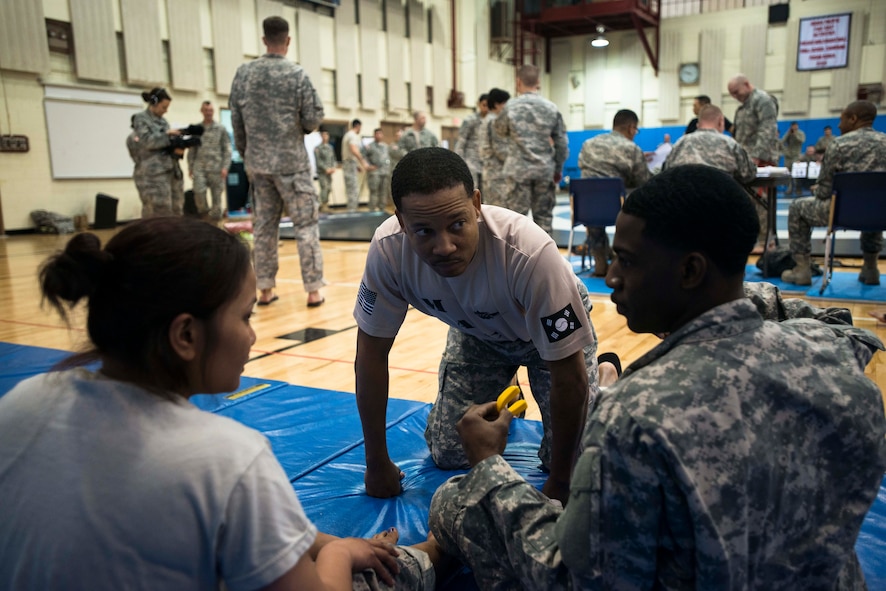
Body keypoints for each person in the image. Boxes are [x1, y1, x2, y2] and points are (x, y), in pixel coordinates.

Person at [427, 164, 886, 590]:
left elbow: (576, 577)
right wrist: (729, 302)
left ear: (689, 270)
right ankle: (605, 370)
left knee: (457, 501)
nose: (612, 278)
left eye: (626, 260)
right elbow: (837, 326)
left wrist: (488, 466)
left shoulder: (634, 416)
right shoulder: (833, 354)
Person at [0, 216, 446, 590]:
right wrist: (344, 551)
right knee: (378, 572)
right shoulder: (227, 457)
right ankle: (433, 556)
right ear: (187, 336)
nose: (253, 335)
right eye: (245, 316)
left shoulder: (23, 402)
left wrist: (319, 540)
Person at [353, 147, 599, 505]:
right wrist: (376, 462)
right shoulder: (389, 251)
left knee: (577, 463)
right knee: (448, 452)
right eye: (423, 231)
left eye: (457, 225)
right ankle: (506, 382)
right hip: (477, 334)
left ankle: (605, 373)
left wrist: (561, 483)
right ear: (401, 222)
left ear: (477, 204)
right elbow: (370, 354)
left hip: (545, 339)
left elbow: (569, 374)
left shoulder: (528, 253)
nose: (445, 246)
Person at [229, 16, 326, 308]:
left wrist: (248, 152)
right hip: (292, 165)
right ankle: (312, 290)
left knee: (264, 227)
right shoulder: (297, 75)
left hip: (259, 166)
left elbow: (236, 119)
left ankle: (265, 289)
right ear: (287, 40)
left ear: (263, 40)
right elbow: (313, 117)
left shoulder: (244, 74)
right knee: (306, 226)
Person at [781, 100, 886, 286]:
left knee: (797, 208)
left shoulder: (838, 145)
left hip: (840, 214)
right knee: (874, 201)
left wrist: (818, 188)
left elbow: (824, 192)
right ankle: (871, 268)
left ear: (853, 119)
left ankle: (802, 270)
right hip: (880, 215)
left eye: (842, 119)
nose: (838, 125)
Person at [493, 64, 568, 236]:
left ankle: (515, 262)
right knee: (544, 219)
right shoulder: (551, 107)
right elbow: (562, 143)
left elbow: (499, 133)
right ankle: (545, 261)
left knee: (515, 220)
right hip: (544, 171)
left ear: (518, 82)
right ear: (539, 82)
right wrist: (557, 169)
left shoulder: (510, 107)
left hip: (518, 172)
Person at [576, 109, 651, 276]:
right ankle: (621, 257)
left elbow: (585, 170)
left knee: (595, 200)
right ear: (631, 128)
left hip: (587, 209)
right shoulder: (631, 148)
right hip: (618, 209)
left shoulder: (588, 144)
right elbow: (643, 181)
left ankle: (600, 261)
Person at [728, 74, 780, 252]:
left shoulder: (763, 100)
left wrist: (757, 157)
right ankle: (754, 237)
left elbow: (767, 129)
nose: (735, 96)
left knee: (761, 200)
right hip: (746, 160)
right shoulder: (743, 108)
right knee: (748, 200)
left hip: (761, 159)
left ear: (747, 84)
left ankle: (767, 241)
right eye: (732, 94)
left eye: (736, 91)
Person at [664, 104, 756, 185]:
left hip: (683, 201)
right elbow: (748, 174)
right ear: (721, 122)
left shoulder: (679, 143)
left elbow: (665, 172)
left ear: (697, 124)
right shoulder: (731, 144)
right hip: (721, 200)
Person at [131, 87, 184, 218]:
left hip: (170, 170)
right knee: (158, 212)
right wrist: (167, 135)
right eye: (163, 107)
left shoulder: (163, 121)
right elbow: (147, 141)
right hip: (153, 175)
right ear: (154, 103)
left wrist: (179, 144)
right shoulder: (141, 119)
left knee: (176, 209)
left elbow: (164, 145)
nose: (166, 111)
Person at [187, 100, 233, 221]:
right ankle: (205, 218)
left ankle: (216, 224)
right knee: (199, 193)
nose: (209, 113)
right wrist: (190, 167)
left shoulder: (221, 129)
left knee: (217, 199)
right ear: (201, 111)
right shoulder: (197, 129)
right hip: (200, 167)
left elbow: (227, 149)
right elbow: (192, 150)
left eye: (211, 110)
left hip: (217, 168)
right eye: (206, 110)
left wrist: (225, 167)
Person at [478, 87, 510, 207]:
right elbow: (500, 149)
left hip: (491, 172)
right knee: (500, 212)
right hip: (498, 174)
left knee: (493, 209)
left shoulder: (487, 120)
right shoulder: (495, 121)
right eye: (505, 103)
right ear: (497, 104)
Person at [454, 94, 488, 190]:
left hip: (486, 162)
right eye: (484, 105)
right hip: (471, 160)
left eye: (488, 105)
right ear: (479, 104)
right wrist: (459, 161)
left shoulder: (493, 121)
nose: (486, 108)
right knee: (473, 188)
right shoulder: (470, 120)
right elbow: (461, 141)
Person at [343, 119, 371, 212]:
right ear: (358, 126)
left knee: (351, 189)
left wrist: (357, 166)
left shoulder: (348, 135)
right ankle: (352, 212)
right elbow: (354, 150)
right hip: (349, 164)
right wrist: (364, 162)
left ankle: (352, 210)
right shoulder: (352, 135)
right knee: (353, 190)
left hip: (350, 164)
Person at [364, 128, 391, 212]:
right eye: (377, 134)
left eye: (380, 134)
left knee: (383, 192)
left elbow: (388, 158)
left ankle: (382, 210)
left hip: (385, 172)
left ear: (382, 135)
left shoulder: (385, 146)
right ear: (374, 135)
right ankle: (372, 210)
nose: (379, 135)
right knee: (374, 192)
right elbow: (363, 157)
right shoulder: (369, 146)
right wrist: (368, 166)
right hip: (375, 173)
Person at [781, 121, 806, 196]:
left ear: (797, 126)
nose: (794, 127)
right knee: (788, 173)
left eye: (795, 126)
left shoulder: (800, 133)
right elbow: (782, 141)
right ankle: (789, 188)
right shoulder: (788, 133)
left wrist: (795, 134)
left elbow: (801, 141)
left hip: (796, 155)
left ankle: (798, 188)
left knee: (796, 173)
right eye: (793, 126)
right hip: (788, 156)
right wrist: (788, 133)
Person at [315, 129, 337, 212]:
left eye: (326, 135)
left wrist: (333, 167)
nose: (325, 137)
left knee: (329, 188)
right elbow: (318, 161)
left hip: (329, 172)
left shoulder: (330, 147)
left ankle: (325, 204)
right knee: (324, 188)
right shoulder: (318, 148)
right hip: (322, 173)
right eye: (323, 135)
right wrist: (326, 169)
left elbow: (333, 159)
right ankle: (323, 205)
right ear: (321, 136)